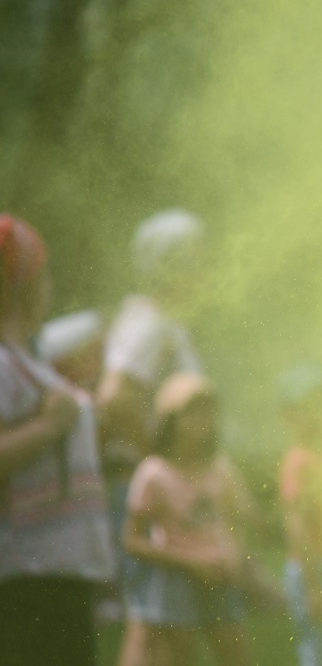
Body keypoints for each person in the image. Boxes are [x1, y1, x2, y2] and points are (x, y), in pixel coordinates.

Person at [0, 214, 116, 665]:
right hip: (27, 575)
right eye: (44, 274)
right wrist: (48, 427)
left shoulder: (26, 360)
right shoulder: (4, 364)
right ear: (24, 284)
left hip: (55, 571)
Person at [98, 208, 206, 666]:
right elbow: (115, 396)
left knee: (164, 628)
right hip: (149, 490)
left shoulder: (163, 322)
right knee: (153, 626)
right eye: (195, 257)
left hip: (156, 487)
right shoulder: (148, 323)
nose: (204, 268)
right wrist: (156, 464)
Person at [122, 372, 256, 666]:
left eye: (209, 412)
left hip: (219, 576)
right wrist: (190, 564)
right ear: (170, 421)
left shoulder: (219, 468)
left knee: (237, 657)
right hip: (177, 579)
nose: (204, 420)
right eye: (193, 413)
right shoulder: (154, 473)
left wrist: (235, 556)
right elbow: (132, 540)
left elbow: (236, 521)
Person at [279, 364, 322, 666]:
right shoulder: (299, 462)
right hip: (312, 569)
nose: (318, 413)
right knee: (321, 653)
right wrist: (314, 587)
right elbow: (297, 525)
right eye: (307, 407)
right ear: (290, 415)